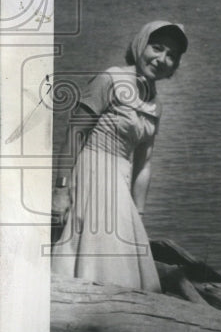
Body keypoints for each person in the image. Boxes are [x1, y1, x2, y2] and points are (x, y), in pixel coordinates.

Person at [51, 20, 188, 292]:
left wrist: (137, 213)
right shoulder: (110, 79)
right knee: (94, 260)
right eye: (157, 48)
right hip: (92, 177)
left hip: (120, 188)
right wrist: (61, 191)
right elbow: (73, 135)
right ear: (140, 44)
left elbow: (144, 163)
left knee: (127, 262)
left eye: (171, 55)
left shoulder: (154, 104)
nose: (162, 59)